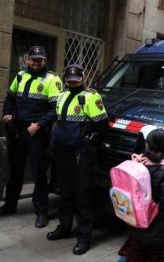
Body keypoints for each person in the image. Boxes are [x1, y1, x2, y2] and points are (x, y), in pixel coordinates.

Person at [0, 46, 63, 228]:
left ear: (45, 60)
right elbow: (9, 98)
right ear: (28, 60)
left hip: (37, 133)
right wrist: (7, 113)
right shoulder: (20, 76)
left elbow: (55, 109)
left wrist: (38, 125)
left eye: (40, 59)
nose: (36, 62)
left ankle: (41, 212)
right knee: (15, 170)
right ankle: (10, 205)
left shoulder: (52, 79)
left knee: (39, 174)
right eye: (33, 59)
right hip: (18, 131)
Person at [46, 64, 108, 255]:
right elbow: (60, 122)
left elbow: (102, 126)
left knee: (82, 196)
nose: (73, 82)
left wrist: (90, 143)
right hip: (63, 154)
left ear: (83, 78)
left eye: (76, 79)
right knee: (66, 193)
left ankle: (84, 237)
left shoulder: (91, 97)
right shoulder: (63, 95)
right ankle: (64, 228)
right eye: (70, 80)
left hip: (81, 155)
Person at [118, 129, 164, 262]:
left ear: (147, 145)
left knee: (133, 253)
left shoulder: (137, 163)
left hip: (137, 220)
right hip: (157, 227)